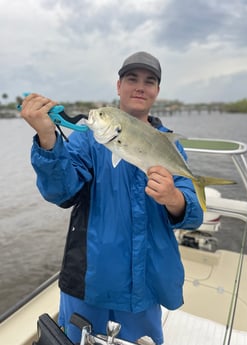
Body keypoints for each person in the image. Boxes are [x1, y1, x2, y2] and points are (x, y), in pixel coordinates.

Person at [20, 51, 203, 345]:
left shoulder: (169, 144)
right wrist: (47, 139)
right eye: (132, 78)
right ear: (118, 85)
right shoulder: (88, 137)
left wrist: (174, 198)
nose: (140, 86)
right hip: (90, 283)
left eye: (150, 81)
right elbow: (60, 191)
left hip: (146, 286)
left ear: (157, 91)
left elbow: (193, 213)